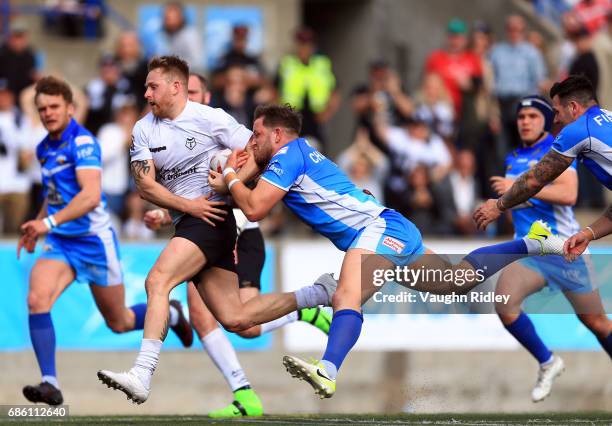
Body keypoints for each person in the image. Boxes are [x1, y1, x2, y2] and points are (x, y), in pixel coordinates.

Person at [213, 103, 567, 399]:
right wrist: (234, 175)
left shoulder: (289, 154)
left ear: (277, 135)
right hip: (388, 229)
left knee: (346, 296)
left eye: (257, 134)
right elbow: (251, 182)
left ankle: (327, 369)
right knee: (456, 280)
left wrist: (230, 172)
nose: (252, 141)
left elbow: (255, 207)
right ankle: (530, 242)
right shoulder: (291, 154)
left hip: (377, 230)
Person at [97, 56, 337, 404]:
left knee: (157, 281)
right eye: (146, 86)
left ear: (176, 87)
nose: (146, 93)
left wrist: (232, 179)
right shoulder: (143, 129)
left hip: (211, 219)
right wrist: (185, 206)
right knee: (237, 319)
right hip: (193, 218)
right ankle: (315, 295)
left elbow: (260, 151)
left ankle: (142, 374)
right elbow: (145, 186)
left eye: (153, 86)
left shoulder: (211, 119)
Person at [17, 76, 192, 406]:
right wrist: (39, 224)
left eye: (54, 106)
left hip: (94, 242)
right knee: (37, 299)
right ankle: (50, 382)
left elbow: (90, 195)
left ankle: (173, 313)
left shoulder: (82, 143)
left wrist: (48, 222)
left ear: (70, 108)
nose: (48, 113)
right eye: (42, 109)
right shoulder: (44, 148)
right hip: (61, 243)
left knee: (120, 321)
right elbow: (54, 195)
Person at [492, 95, 610, 403]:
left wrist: (519, 189)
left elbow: (569, 194)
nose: (526, 121)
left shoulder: (556, 149)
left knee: (596, 323)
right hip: (532, 251)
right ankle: (548, 362)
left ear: (547, 119)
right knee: (504, 301)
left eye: (533, 115)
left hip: (562, 247)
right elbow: (519, 202)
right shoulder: (513, 157)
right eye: (521, 117)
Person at [473, 75, 612, 269]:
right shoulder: (607, 118)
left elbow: (534, 181)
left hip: (554, 246)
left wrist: (498, 205)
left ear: (573, 107)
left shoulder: (577, 131)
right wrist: (588, 233)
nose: (555, 120)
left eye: (556, 112)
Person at [276, 27, 340, 154]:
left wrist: (328, 112)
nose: (304, 48)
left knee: (317, 154)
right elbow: (274, 89)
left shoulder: (322, 63)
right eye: (301, 44)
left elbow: (335, 90)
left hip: (316, 119)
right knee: (291, 152)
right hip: (293, 117)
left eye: (307, 44)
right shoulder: (287, 63)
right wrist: (281, 114)